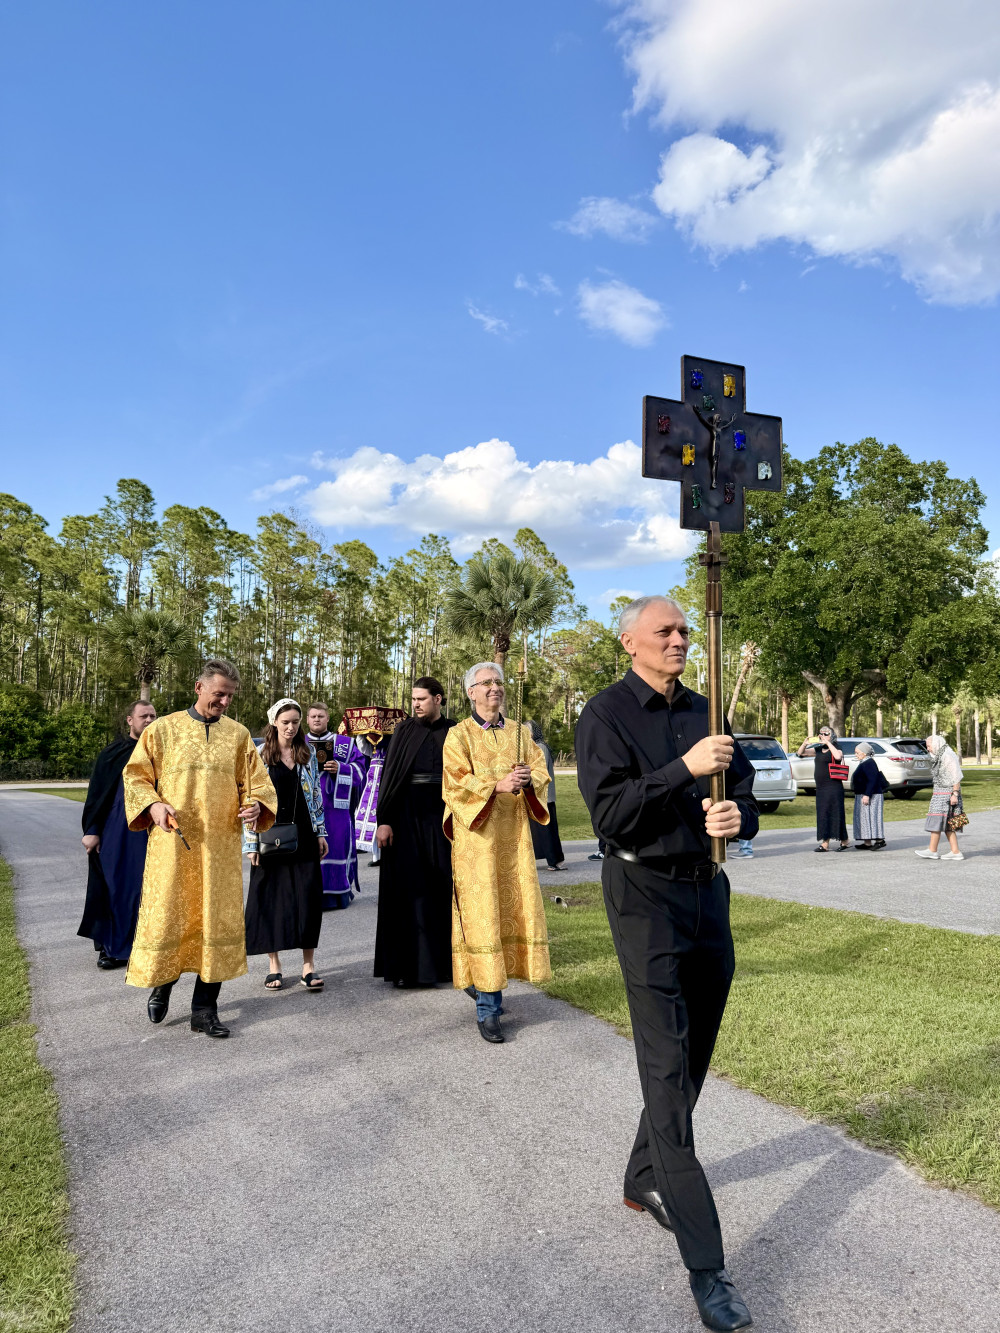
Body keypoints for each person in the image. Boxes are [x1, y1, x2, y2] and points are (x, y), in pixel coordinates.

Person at [575, 595, 758, 1333]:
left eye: (685, 629)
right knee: (665, 1064)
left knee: (693, 1056)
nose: (680, 639)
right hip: (642, 894)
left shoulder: (709, 709)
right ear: (631, 642)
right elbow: (610, 813)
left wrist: (736, 815)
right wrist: (684, 768)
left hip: (706, 892)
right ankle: (707, 1269)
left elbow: (742, 791)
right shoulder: (605, 714)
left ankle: (642, 1174)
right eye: (666, 631)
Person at [123, 658, 277, 1038]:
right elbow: (136, 776)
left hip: (220, 850)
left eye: (230, 696)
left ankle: (204, 1009)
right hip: (173, 848)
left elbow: (257, 784)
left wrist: (256, 805)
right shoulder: (162, 729)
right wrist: (153, 805)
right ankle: (163, 985)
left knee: (215, 921)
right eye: (219, 694)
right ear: (199, 688)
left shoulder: (238, 735)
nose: (225, 702)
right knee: (172, 917)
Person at [443, 663, 551, 1044]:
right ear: (470, 692)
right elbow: (455, 784)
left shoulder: (521, 732)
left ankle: (483, 983)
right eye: (486, 683)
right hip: (477, 843)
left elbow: (541, 771)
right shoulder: (458, 735)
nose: (495, 688)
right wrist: (498, 785)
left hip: (514, 841)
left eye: (499, 682)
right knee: (484, 916)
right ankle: (488, 1007)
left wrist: (529, 780)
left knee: (512, 911)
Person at [373, 677, 456, 987]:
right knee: (409, 892)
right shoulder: (404, 731)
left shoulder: (455, 731)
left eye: (421, 699)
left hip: (444, 820)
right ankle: (407, 969)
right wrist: (384, 820)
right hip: (406, 821)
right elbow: (390, 777)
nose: (415, 704)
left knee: (443, 889)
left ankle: (445, 966)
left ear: (438, 699)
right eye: (413, 699)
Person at [245, 700, 328, 991]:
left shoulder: (308, 754)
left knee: (307, 897)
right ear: (274, 723)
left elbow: (315, 794)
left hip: (304, 832)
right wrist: (251, 843)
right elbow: (248, 800)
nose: (291, 727)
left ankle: (308, 966)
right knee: (270, 898)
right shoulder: (259, 755)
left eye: (295, 722)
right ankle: (274, 966)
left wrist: (321, 833)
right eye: (285, 722)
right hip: (269, 834)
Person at [78, 700, 157, 968]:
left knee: (146, 888)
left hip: (151, 830)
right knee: (114, 886)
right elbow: (97, 795)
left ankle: (145, 947)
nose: (149, 720)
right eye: (143, 716)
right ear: (129, 720)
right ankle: (112, 948)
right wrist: (92, 830)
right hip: (116, 829)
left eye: (153, 716)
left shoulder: (163, 752)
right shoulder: (113, 753)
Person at [305, 703, 367, 910]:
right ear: (307, 719)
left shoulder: (344, 744)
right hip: (305, 808)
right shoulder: (298, 742)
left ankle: (337, 896)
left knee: (337, 847)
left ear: (327, 718)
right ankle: (307, 895)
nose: (317, 719)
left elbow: (361, 772)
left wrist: (340, 768)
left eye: (320, 716)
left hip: (335, 808)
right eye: (313, 716)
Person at [797, 726, 849, 852]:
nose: (823, 736)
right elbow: (800, 754)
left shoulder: (836, 747)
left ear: (832, 735)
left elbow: (838, 757)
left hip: (834, 787)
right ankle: (825, 843)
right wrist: (804, 743)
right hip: (821, 788)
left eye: (826, 734)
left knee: (836, 813)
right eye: (821, 734)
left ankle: (844, 841)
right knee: (823, 814)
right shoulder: (819, 749)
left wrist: (828, 743)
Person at [916, 734, 966, 861]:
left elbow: (956, 776)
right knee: (947, 824)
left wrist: (955, 794)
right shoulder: (941, 755)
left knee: (937, 821)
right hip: (940, 793)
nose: (928, 749)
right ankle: (955, 852)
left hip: (947, 794)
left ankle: (932, 850)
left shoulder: (947, 755)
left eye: (929, 746)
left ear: (936, 744)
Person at [527, 719, 566, 871]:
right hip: (536, 795)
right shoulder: (533, 747)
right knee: (539, 831)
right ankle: (552, 859)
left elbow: (539, 771)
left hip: (544, 796)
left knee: (548, 830)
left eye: (527, 731)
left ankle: (555, 860)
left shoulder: (540, 747)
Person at [852, 742, 887, 850]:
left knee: (872, 817)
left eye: (857, 753)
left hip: (872, 795)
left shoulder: (869, 763)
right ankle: (867, 842)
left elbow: (872, 780)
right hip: (863, 794)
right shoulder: (864, 762)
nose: (856, 755)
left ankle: (880, 840)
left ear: (864, 753)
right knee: (864, 819)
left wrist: (867, 794)